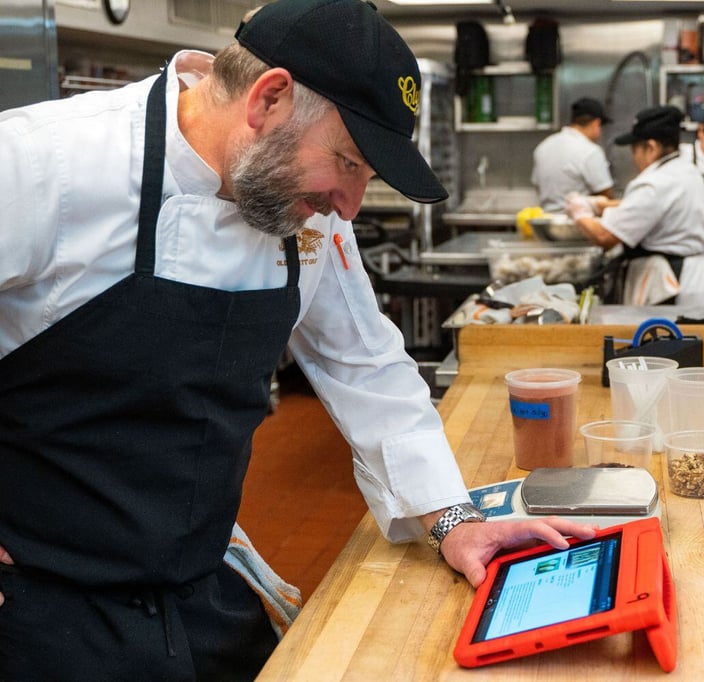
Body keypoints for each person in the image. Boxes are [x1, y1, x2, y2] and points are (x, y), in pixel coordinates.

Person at [0, 1, 596, 679]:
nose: (350, 205)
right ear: (269, 98)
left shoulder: (306, 216)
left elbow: (364, 362)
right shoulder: (42, 164)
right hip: (39, 605)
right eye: (347, 163)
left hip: (196, 583)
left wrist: (454, 520)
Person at [568, 105, 704, 309]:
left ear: (651, 147)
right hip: (701, 280)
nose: (634, 157)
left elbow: (605, 237)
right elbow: (658, 209)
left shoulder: (656, 183)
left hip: (678, 287)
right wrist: (603, 205)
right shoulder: (685, 170)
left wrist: (580, 212)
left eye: (635, 150)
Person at [531, 97, 615, 213]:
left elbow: (537, 185)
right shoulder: (591, 151)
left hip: (547, 219)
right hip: (580, 221)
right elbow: (605, 195)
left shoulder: (543, 146)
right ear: (596, 123)